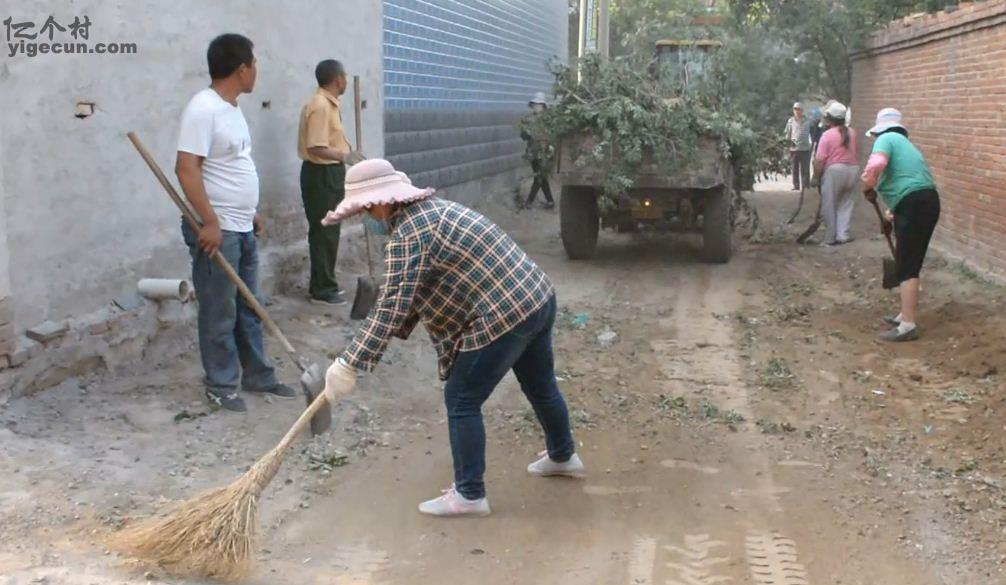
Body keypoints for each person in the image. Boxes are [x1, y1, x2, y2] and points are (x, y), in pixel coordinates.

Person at [319, 159, 583, 517]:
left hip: (504, 312)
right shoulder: (434, 210)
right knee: (540, 384)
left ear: (382, 202)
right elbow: (411, 296)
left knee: (461, 398)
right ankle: (563, 456)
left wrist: (349, 363)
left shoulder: (410, 234)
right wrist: (370, 349)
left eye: (366, 209)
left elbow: (392, 305)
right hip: (536, 297)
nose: (367, 217)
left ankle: (469, 495)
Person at [176, 33, 295, 411]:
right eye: (254, 64)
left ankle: (259, 375)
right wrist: (210, 222)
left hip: (240, 225)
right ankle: (221, 384)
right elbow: (186, 169)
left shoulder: (232, 108)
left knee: (250, 306)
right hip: (218, 230)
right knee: (219, 310)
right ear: (242, 69)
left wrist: (249, 211)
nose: (256, 71)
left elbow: (231, 164)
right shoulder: (203, 109)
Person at [861, 108, 941, 342]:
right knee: (911, 260)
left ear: (880, 130)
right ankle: (904, 315)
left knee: (907, 265)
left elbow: (876, 164)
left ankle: (907, 326)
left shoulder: (886, 138)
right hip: (926, 202)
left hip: (914, 204)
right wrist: (891, 216)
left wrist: (867, 185)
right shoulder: (907, 145)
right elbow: (909, 185)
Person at [297, 59, 354, 306]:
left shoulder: (329, 104)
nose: (346, 81)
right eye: (345, 76)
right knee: (324, 231)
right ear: (338, 79)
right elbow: (316, 146)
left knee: (329, 231)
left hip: (329, 172)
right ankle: (322, 289)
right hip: (321, 174)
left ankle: (323, 283)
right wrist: (345, 157)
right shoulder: (320, 105)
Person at [812, 101, 859, 246]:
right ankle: (842, 234)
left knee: (829, 204)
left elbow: (819, 160)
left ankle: (830, 237)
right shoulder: (852, 133)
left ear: (829, 119)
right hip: (853, 169)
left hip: (835, 170)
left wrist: (816, 177)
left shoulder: (827, 135)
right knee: (846, 203)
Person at [520, 92, 555, 209]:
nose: (537, 107)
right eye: (535, 104)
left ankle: (529, 201)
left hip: (546, 152)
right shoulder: (528, 119)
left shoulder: (550, 120)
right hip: (533, 152)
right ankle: (550, 201)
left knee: (539, 177)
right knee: (541, 177)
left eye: (539, 105)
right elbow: (523, 136)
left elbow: (554, 135)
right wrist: (526, 133)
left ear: (543, 106)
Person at [784, 102, 812, 191]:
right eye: (795, 109)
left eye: (798, 109)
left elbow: (812, 133)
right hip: (794, 148)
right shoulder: (790, 121)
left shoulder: (808, 121)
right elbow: (788, 134)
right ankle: (796, 185)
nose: (797, 111)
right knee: (794, 168)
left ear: (802, 110)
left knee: (805, 168)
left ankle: (806, 185)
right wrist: (786, 147)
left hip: (805, 148)